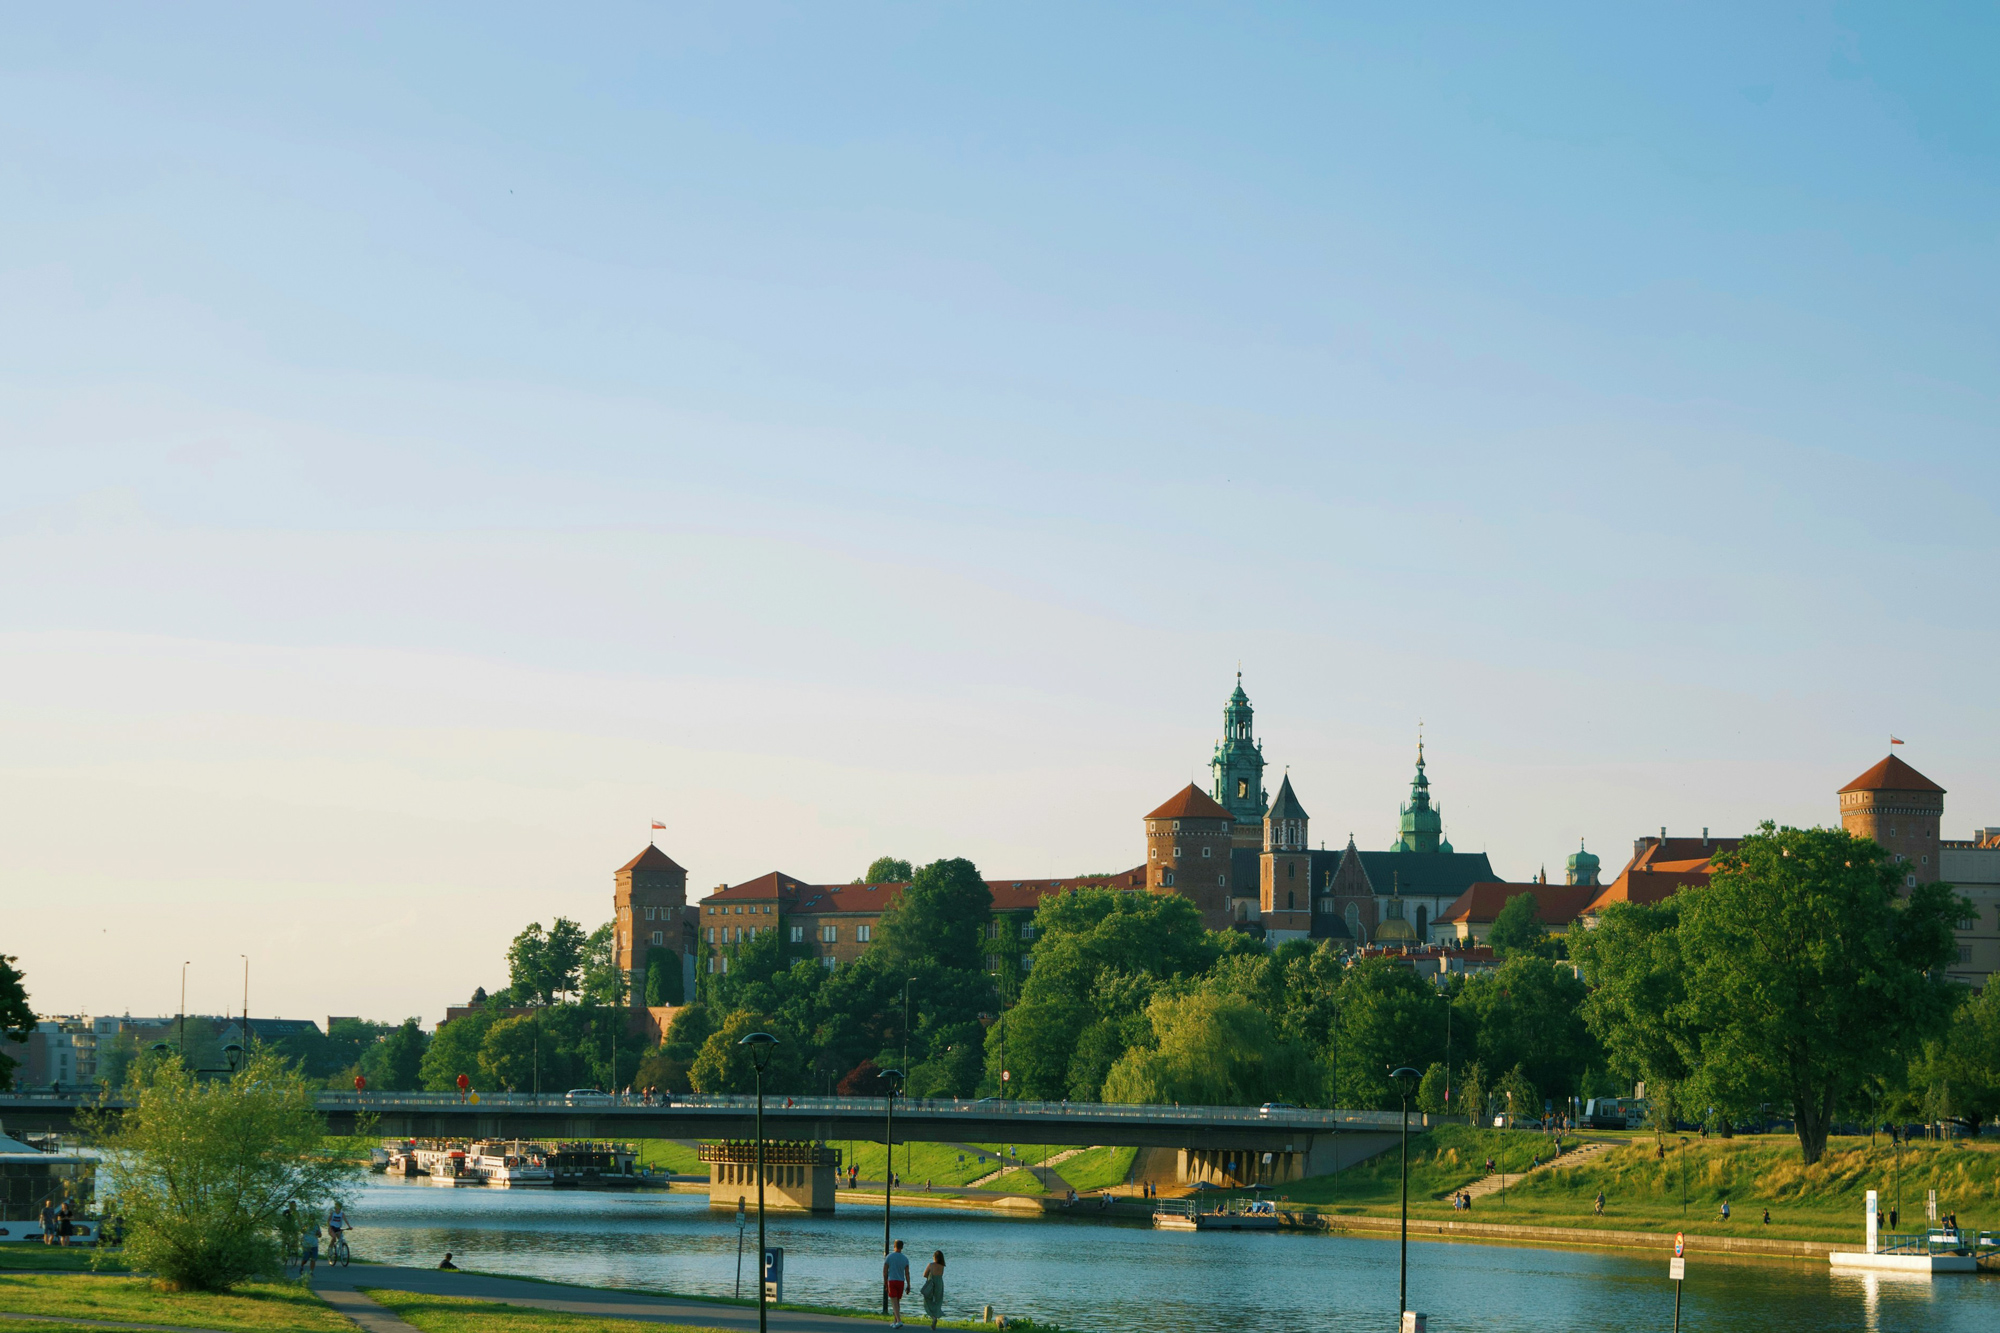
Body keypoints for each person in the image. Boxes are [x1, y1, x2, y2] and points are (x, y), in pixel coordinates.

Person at [883, 1239, 911, 1328]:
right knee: (897, 1301)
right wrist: (908, 1284)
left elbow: (885, 1271)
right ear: (902, 1247)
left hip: (892, 1281)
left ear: (894, 1246)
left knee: (893, 1301)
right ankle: (895, 1321)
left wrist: (885, 1283)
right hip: (901, 1281)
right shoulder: (905, 1259)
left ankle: (899, 1320)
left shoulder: (889, 1257)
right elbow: (907, 1273)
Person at [920, 1250, 946, 1331]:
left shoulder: (931, 1265)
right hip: (939, 1284)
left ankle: (933, 1317)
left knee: (927, 1301)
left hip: (931, 1284)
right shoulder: (942, 1266)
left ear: (935, 1257)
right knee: (938, 1301)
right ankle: (937, 1314)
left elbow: (924, 1275)